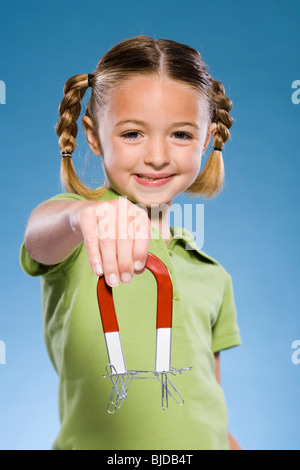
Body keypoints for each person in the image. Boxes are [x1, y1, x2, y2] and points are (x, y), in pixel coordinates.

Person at [20, 36, 242, 450]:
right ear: (94, 135)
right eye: (133, 134)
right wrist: (83, 217)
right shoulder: (77, 231)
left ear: (208, 138)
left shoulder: (212, 273)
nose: (157, 156)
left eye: (179, 134)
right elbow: (38, 238)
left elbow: (206, 400)